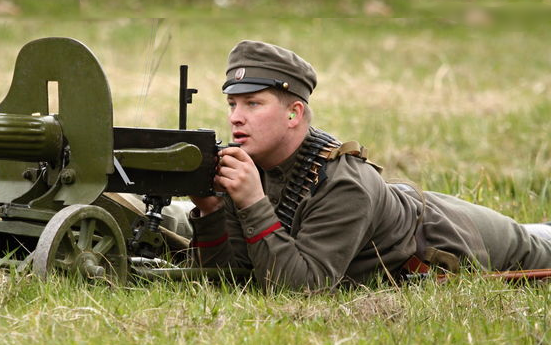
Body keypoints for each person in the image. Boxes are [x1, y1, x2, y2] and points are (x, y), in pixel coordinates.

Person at [187, 40, 551, 290]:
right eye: (232, 104)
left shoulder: (343, 182)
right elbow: (232, 280)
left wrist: (253, 203)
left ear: (294, 113)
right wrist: (212, 211)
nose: (236, 117)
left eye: (252, 103)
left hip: (454, 236)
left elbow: (302, 288)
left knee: (539, 244)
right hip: (403, 206)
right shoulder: (253, 169)